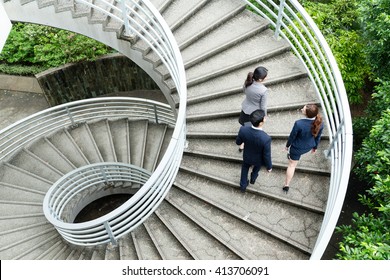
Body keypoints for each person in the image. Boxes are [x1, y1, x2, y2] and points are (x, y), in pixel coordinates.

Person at [283, 104, 324, 194]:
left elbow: (292, 136)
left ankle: (286, 185)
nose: (302, 109)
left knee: (292, 165)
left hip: (297, 148)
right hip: (308, 146)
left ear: (307, 114)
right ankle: (286, 184)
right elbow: (318, 137)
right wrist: (315, 147)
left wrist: (287, 146)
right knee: (293, 163)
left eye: (303, 109)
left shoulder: (299, 123)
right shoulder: (320, 122)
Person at [236, 109, 272, 193]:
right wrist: (269, 167)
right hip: (258, 160)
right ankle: (253, 179)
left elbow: (238, 142)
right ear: (261, 123)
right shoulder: (266, 138)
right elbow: (267, 155)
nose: (265, 118)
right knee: (256, 168)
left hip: (247, 156)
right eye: (264, 118)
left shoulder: (243, 129)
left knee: (244, 168)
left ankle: (243, 186)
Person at [238, 66, 268, 152]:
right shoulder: (263, 90)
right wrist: (264, 115)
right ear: (260, 79)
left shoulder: (248, 82)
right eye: (265, 76)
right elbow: (263, 106)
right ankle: (246, 143)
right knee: (252, 129)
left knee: (245, 126)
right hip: (254, 113)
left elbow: (244, 90)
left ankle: (242, 143)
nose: (267, 77)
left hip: (245, 109)